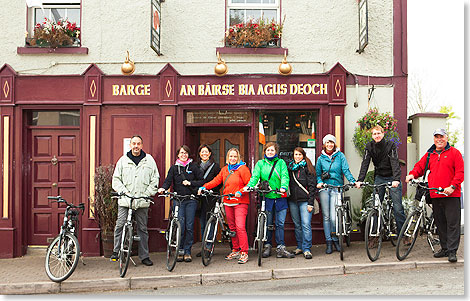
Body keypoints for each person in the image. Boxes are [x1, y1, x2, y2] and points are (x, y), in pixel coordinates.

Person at [405, 128, 464, 262]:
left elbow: (460, 172)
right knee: (440, 223)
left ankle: (452, 251)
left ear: (446, 138)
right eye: (437, 137)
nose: (439, 139)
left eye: (441, 137)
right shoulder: (430, 154)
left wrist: (452, 186)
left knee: (452, 224)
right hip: (435, 194)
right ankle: (444, 248)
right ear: (434, 139)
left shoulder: (454, 153)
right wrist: (412, 174)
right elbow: (420, 167)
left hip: (451, 194)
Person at [110, 135, 159, 266]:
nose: (136, 146)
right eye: (134, 144)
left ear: (142, 145)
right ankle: (116, 252)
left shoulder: (149, 160)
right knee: (120, 225)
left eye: (138, 144)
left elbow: (155, 179)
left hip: (142, 201)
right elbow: (116, 180)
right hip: (125, 200)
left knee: (143, 229)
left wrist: (147, 193)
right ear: (130, 145)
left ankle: (144, 256)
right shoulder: (123, 160)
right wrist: (124, 191)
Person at [199, 148, 252, 264]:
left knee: (240, 227)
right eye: (231, 156)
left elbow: (249, 183)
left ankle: (244, 252)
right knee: (232, 227)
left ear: (238, 158)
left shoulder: (243, 169)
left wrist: (241, 191)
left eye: (235, 157)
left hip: (240, 202)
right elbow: (216, 181)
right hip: (228, 201)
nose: (233, 159)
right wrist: (204, 187)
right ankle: (235, 249)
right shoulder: (224, 170)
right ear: (228, 158)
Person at [244, 142, 294, 259]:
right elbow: (255, 176)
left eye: (272, 150)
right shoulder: (260, 163)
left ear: (276, 152)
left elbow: (285, 176)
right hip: (266, 197)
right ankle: (267, 246)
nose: (270, 152)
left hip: (279, 196)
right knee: (268, 223)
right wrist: (249, 186)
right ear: (264, 151)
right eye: (268, 150)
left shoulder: (281, 163)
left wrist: (283, 187)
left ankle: (281, 247)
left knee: (280, 224)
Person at [355, 126, 406, 239]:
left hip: (392, 177)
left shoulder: (390, 145)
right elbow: (365, 163)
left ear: (383, 134)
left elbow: (394, 162)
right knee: (375, 206)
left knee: (397, 208)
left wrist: (396, 179)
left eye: (378, 133)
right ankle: (374, 235)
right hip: (380, 177)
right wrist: (360, 180)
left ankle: (403, 234)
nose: (377, 136)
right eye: (374, 134)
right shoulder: (369, 147)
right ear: (372, 136)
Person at [157, 145, 204, 263]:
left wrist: (191, 183)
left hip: (191, 200)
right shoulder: (174, 168)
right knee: (180, 226)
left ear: (188, 155)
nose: (184, 155)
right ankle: (180, 250)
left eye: (186, 153)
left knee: (189, 226)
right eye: (181, 153)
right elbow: (168, 181)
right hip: (178, 200)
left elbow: (202, 181)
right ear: (178, 155)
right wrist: (163, 188)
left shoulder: (194, 167)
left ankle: (187, 251)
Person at [316, 134, 356, 254]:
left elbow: (345, 170)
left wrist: (352, 181)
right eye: (327, 142)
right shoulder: (320, 159)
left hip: (337, 188)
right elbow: (318, 174)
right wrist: (319, 182)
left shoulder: (340, 156)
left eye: (331, 142)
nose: (329, 145)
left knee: (334, 217)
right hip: (325, 188)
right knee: (327, 217)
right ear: (324, 144)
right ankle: (328, 242)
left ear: (334, 144)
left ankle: (335, 240)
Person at [287, 147, 317, 259]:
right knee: (297, 225)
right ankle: (299, 246)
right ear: (293, 156)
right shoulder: (290, 168)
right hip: (293, 201)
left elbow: (312, 186)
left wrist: (311, 203)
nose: (298, 156)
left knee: (306, 225)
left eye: (300, 154)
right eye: (296, 154)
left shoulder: (307, 167)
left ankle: (307, 249)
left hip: (305, 201)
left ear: (303, 155)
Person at [195, 144, 221, 258]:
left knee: (211, 224)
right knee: (202, 224)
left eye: (206, 152)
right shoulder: (195, 166)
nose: (204, 154)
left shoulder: (215, 166)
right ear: (199, 154)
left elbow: (219, 182)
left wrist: (210, 190)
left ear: (210, 153)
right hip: (200, 199)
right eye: (202, 152)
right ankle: (204, 247)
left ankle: (209, 248)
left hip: (211, 198)